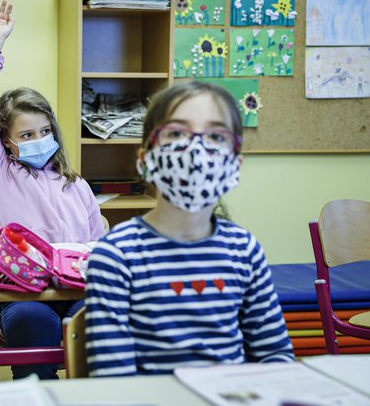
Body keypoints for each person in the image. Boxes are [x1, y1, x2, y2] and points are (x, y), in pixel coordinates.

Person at [85, 80, 294, 376]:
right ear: (145, 158)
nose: (195, 149)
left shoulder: (244, 250)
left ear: (235, 163)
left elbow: (274, 354)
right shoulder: (116, 255)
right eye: (176, 133)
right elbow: (114, 380)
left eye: (215, 136)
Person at [0, 0, 105, 379]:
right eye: (26, 135)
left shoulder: (76, 185)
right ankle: (39, 390)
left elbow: (98, 245)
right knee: (30, 320)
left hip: (74, 294)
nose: (39, 139)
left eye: (45, 131)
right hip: (21, 298)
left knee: (102, 316)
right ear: (7, 142)